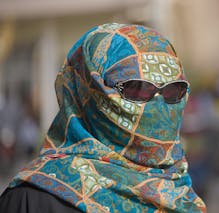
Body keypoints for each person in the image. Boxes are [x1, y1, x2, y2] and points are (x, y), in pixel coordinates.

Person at [0, 23, 207, 213]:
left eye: (173, 90)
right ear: (87, 92)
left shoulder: (178, 190)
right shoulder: (34, 199)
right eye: (137, 88)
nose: (157, 105)